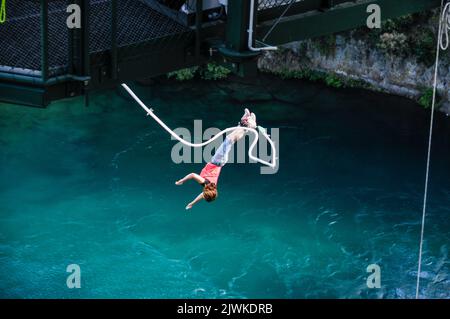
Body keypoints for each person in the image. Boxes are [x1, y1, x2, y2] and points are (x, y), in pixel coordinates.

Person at [175, 108, 257, 210]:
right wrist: (182, 181)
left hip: (221, 162)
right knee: (230, 139)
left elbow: (202, 196)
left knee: (232, 139)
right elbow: (192, 175)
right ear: (206, 191)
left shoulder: (212, 186)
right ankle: (249, 126)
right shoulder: (205, 182)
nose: (203, 194)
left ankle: (244, 122)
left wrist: (192, 203)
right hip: (217, 161)